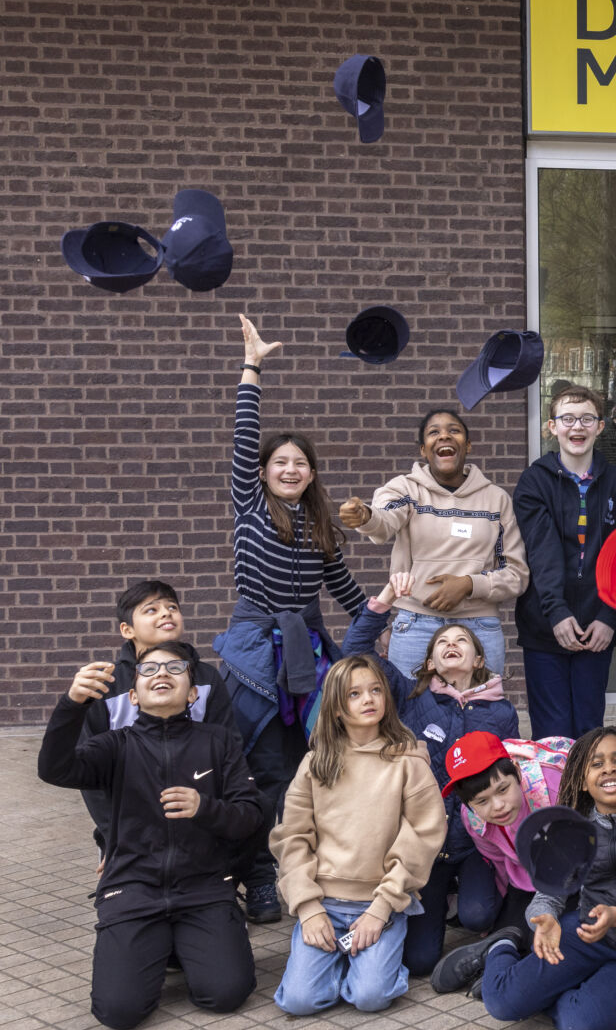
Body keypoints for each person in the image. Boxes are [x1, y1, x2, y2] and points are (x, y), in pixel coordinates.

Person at [210, 317, 366, 925]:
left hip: (309, 655)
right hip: (256, 654)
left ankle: (313, 868)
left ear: (312, 473)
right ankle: (255, 876)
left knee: (315, 765)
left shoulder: (319, 524)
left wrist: (386, 620)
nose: (292, 469)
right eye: (281, 462)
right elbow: (244, 437)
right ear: (263, 472)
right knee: (263, 770)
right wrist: (252, 368)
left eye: (301, 462)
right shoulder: (250, 504)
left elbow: (346, 590)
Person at [40, 641, 265, 1030]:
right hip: (133, 889)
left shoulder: (218, 742)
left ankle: (178, 946)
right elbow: (54, 769)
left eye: (175, 668)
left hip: (203, 889)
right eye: (149, 669)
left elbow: (253, 816)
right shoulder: (115, 746)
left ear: (192, 694)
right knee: (118, 1012)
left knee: (226, 993)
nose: (161, 673)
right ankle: (164, 944)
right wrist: (71, 705)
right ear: (133, 696)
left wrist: (205, 807)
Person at [441, 725, 616, 1030]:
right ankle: (501, 946)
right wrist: (544, 916)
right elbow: (550, 891)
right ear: (583, 780)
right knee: (502, 1002)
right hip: (582, 934)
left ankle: (549, 990)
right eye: (596, 764)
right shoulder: (573, 820)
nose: (608, 770)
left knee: (582, 1024)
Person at [344, 576, 520, 978]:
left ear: (478, 660)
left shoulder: (501, 712)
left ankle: (470, 904)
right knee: (420, 962)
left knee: (478, 916)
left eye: (461, 641)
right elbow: (354, 652)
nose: (451, 644)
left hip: (476, 844)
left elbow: (510, 778)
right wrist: (386, 598)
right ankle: (443, 901)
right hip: (425, 848)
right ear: (429, 664)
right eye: (442, 643)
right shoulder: (410, 697)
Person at [269, 655, 445, 1015]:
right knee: (299, 1001)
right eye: (354, 694)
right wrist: (308, 908)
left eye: (376, 690)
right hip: (324, 901)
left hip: (380, 902)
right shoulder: (315, 764)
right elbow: (292, 837)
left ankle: (366, 963)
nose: (368, 699)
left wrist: (381, 909)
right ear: (336, 707)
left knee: (371, 997)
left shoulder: (408, 761)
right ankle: (341, 961)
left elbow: (423, 836)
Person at [338, 406, 528, 679]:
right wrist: (365, 516)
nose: (444, 436)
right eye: (433, 432)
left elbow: (516, 574)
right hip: (416, 625)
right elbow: (384, 519)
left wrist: (469, 584)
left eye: (454, 431)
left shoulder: (496, 499)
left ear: (468, 445)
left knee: (481, 704)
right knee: (410, 703)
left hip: (479, 626)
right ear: (423, 450)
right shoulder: (406, 489)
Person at [77, 581, 236, 860]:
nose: (166, 613)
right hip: (126, 825)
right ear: (127, 630)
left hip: (198, 816)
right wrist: (113, 835)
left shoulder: (207, 678)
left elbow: (229, 751)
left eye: (172, 607)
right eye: (151, 609)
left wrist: (216, 815)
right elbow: (89, 773)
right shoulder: (107, 686)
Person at [513, 383, 616, 740]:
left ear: (600, 427)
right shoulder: (535, 481)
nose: (577, 427)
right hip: (545, 623)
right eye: (567, 419)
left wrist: (610, 617)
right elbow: (541, 551)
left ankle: (586, 783)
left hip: (598, 626)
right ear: (552, 427)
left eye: (587, 419)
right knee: (553, 732)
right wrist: (556, 612)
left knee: (590, 729)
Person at [427, 730, 571, 994]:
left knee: (555, 928)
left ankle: (505, 972)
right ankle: (500, 961)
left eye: (503, 790)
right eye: (482, 801)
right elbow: (500, 863)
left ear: (516, 771)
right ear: (467, 803)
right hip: (527, 877)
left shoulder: (553, 789)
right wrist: (503, 912)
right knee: (513, 928)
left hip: (570, 871)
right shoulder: (473, 818)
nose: (498, 806)